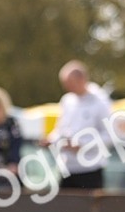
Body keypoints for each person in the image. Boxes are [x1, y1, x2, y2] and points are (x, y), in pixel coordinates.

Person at [44, 60, 112, 190]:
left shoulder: (101, 101)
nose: (67, 88)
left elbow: (110, 136)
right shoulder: (67, 100)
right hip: (67, 169)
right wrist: (51, 140)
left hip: (91, 170)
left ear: (82, 79)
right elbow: (60, 129)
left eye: (69, 83)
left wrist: (83, 145)